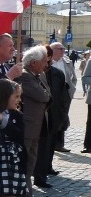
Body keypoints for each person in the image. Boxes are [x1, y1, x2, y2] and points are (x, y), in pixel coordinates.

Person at [16, 46, 51, 197]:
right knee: (23, 161)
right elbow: (42, 95)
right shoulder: (24, 76)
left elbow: (48, 94)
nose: (46, 64)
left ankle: (27, 193)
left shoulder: (39, 75)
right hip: (27, 126)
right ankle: (19, 195)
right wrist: (45, 94)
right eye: (44, 61)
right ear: (34, 63)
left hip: (37, 127)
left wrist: (45, 94)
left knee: (31, 161)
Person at [35, 45, 69, 186]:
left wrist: (63, 115)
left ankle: (47, 167)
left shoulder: (57, 73)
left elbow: (63, 97)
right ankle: (39, 175)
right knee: (41, 147)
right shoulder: (33, 74)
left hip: (54, 114)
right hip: (40, 117)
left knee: (50, 144)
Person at [49, 42, 76, 153]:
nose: (63, 50)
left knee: (62, 117)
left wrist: (71, 91)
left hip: (65, 94)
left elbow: (73, 77)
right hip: (50, 94)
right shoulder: (47, 62)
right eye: (60, 48)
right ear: (53, 50)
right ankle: (51, 143)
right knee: (51, 118)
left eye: (63, 48)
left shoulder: (67, 62)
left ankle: (59, 144)